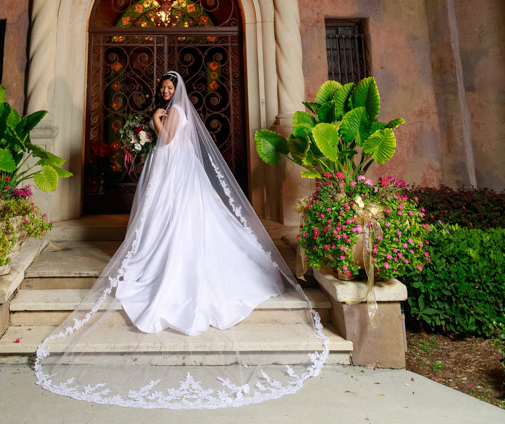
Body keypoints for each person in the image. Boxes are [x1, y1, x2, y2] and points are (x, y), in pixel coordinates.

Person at [35, 71, 327, 409]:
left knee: (171, 221)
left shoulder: (173, 113)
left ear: (178, 91)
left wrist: (153, 122)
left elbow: (168, 141)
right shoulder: (179, 110)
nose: (165, 90)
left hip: (173, 172)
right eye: (162, 87)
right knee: (166, 220)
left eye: (169, 87)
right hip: (174, 172)